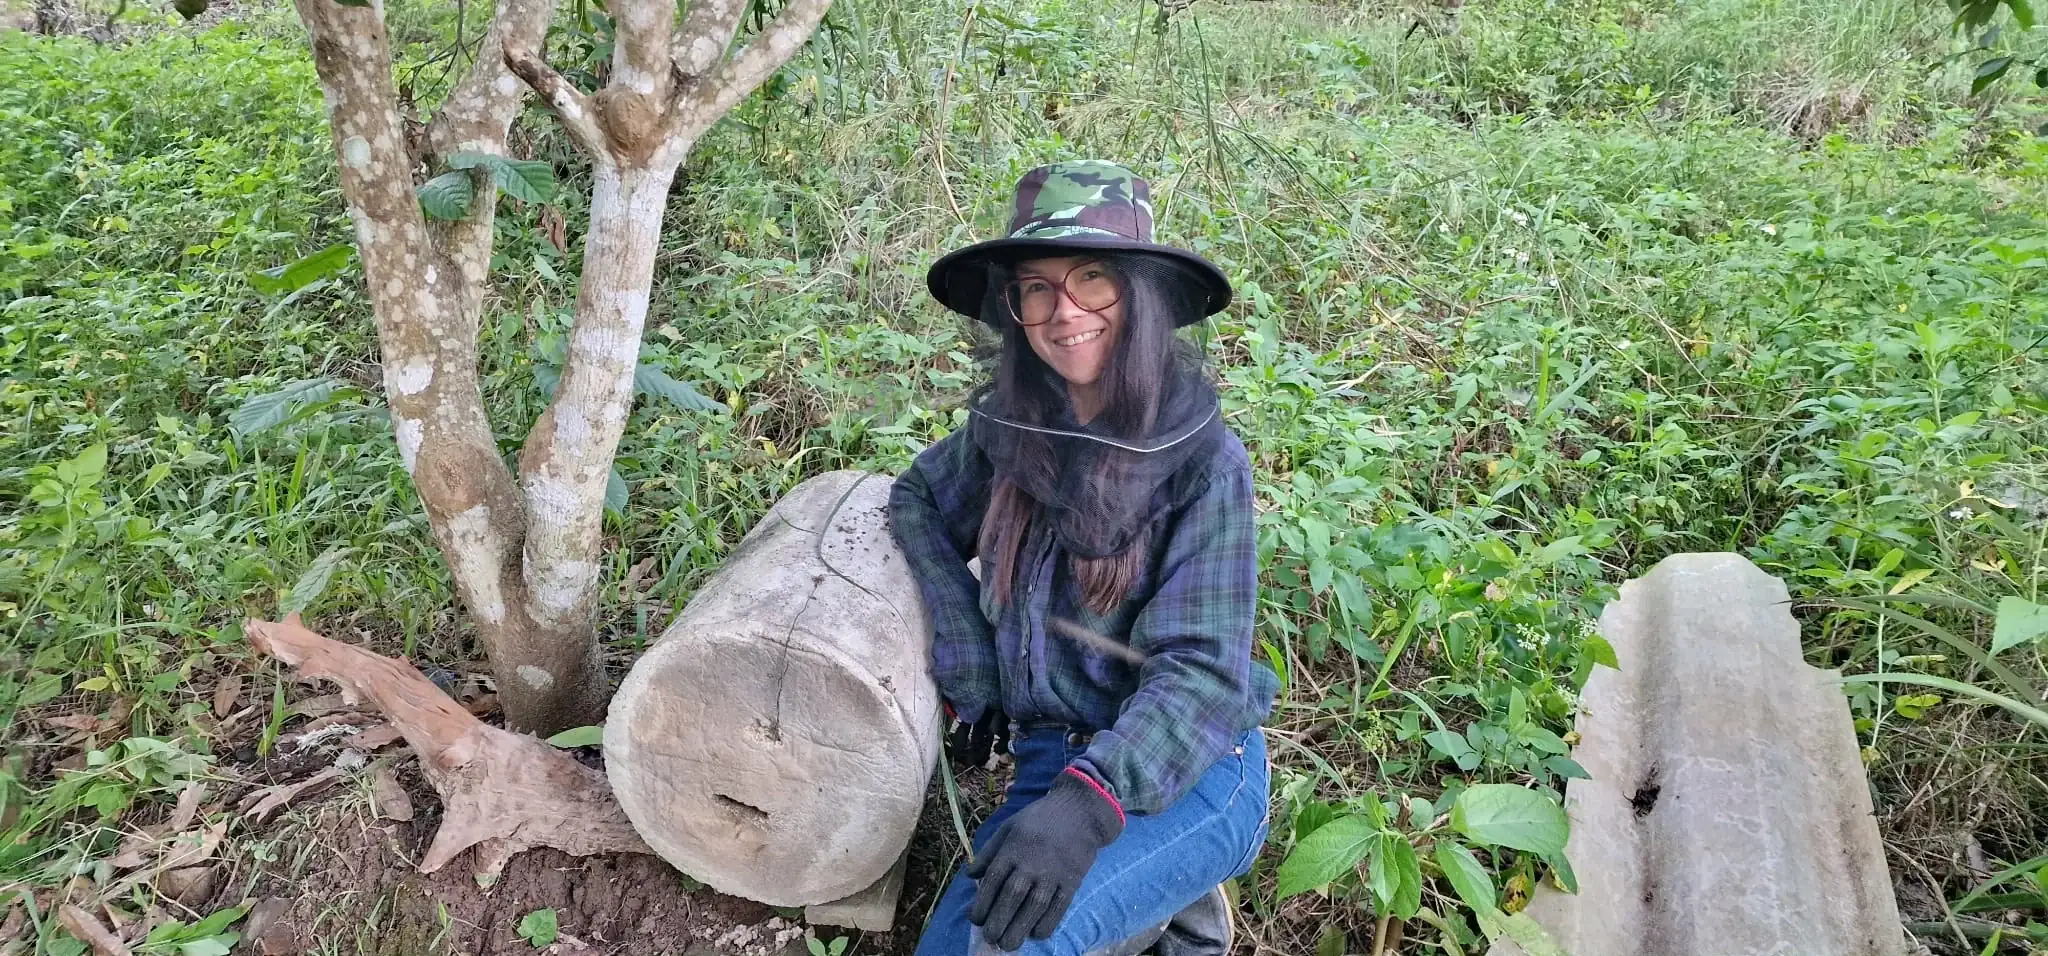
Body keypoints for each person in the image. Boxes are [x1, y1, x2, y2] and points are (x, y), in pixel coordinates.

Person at [890, 160, 1280, 956]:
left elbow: (1204, 675)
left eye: (1093, 279)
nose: (1066, 312)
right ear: (1015, 309)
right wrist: (967, 647)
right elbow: (916, 499)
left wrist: (1088, 805)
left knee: (1005, 949)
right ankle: (1166, 914)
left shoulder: (1205, 464)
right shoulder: (1011, 430)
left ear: (1138, 294)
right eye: (1037, 287)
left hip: (1191, 767)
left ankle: (1175, 891)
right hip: (1052, 764)